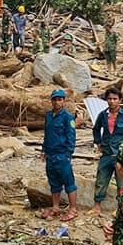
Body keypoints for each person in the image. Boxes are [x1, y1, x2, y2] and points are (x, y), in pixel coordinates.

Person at [92, 87, 123, 211]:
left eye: (115, 99)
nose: (112, 102)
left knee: (122, 182)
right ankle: (97, 206)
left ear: (120, 100)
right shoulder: (103, 115)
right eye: (109, 99)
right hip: (106, 153)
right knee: (101, 179)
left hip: (121, 155)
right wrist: (98, 142)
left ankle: (121, 207)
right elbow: (96, 129)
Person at [42, 89, 78, 221]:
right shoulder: (48, 116)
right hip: (50, 155)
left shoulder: (68, 117)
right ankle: (55, 207)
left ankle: (73, 209)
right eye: (55, 99)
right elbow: (47, 134)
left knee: (69, 182)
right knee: (54, 182)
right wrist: (44, 150)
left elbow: (71, 136)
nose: (57, 102)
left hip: (62, 154)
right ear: (51, 101)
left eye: (60, 99)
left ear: (63, 101)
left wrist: (68, 154)